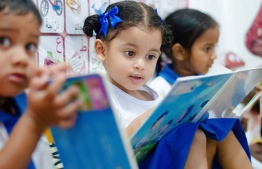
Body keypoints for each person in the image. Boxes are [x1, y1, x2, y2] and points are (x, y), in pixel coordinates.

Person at [83, 2, 252, 169]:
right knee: (193, 136)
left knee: (221, 128)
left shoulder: (151, 92)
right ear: (101, 50)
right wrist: (142, 123)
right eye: (130, 53)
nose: (140, 64)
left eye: (150, 56)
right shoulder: (100, 98)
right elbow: (105, 159)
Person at [149, 8, 252, 168]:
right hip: (168, 159)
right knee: (212, 128)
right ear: (180, 52)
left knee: (222, 126)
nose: (214, 55)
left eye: (214, 48)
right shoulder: (157, 90)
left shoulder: (209, 84)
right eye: (207, 48)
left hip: (201, 154)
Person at [0, 0, 81, 168]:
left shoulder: (25, 102)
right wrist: (35, 121)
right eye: (4, 41)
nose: (21, 58)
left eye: (29, 46)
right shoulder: (33, 114)